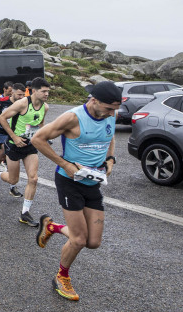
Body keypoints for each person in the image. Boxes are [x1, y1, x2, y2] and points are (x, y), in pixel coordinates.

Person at [30, 81, 120, 302]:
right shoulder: (72, 117)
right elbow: (37, 139)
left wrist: (110, 159)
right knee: (79, 240)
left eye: (115, 109)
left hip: (93, 182)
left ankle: (52, 226)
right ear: (94, 100)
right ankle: (61, 277)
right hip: (69, 181)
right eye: (109, 108)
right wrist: (66, 164)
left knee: (93, 242)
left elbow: (110, 137)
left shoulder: (110, 115)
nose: (113, 113)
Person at [0, 77, 51, 227]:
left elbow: (40, 123)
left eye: (48, 91)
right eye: (44, 91)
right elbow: (2, 118)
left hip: (30, 145)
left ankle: (25, 213)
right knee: (13, 180)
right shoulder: (22, 104)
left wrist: (40, 136)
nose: (47, 94)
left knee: (33, 178)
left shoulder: (45, 107)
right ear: (34, 91)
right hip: (14, 145)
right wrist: (14, 137)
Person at [0, 83, 26, 172]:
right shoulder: (3, 100)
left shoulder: (24, 103)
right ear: (13, 93)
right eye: (19, 95)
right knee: (6, 150)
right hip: (1, 131)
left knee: (6, 154)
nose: (21, 97)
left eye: (23, 95)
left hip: (15, 132)